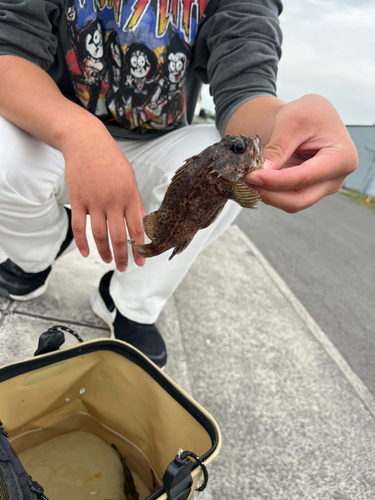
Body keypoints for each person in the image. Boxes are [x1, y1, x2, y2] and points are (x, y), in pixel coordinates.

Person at [0, 0, 357, 368]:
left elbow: (245, 83)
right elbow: (8, 48)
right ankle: (36, 254)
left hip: (160, 148)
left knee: (233, 171)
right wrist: (79, 134)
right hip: (54, 132)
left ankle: (129, 303)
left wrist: (283, 124)